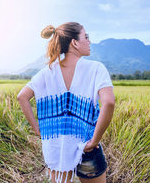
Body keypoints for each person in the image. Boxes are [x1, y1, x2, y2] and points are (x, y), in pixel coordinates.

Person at [17, 22, 115, 183]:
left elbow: (22, 97)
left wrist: (37, 130)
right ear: (74, 42)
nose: (89, 41)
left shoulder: (47, 72)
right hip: (86, 146)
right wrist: (95, 140)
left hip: (57, 147)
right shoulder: (96, 68)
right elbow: (109, 102)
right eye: (86, 37)